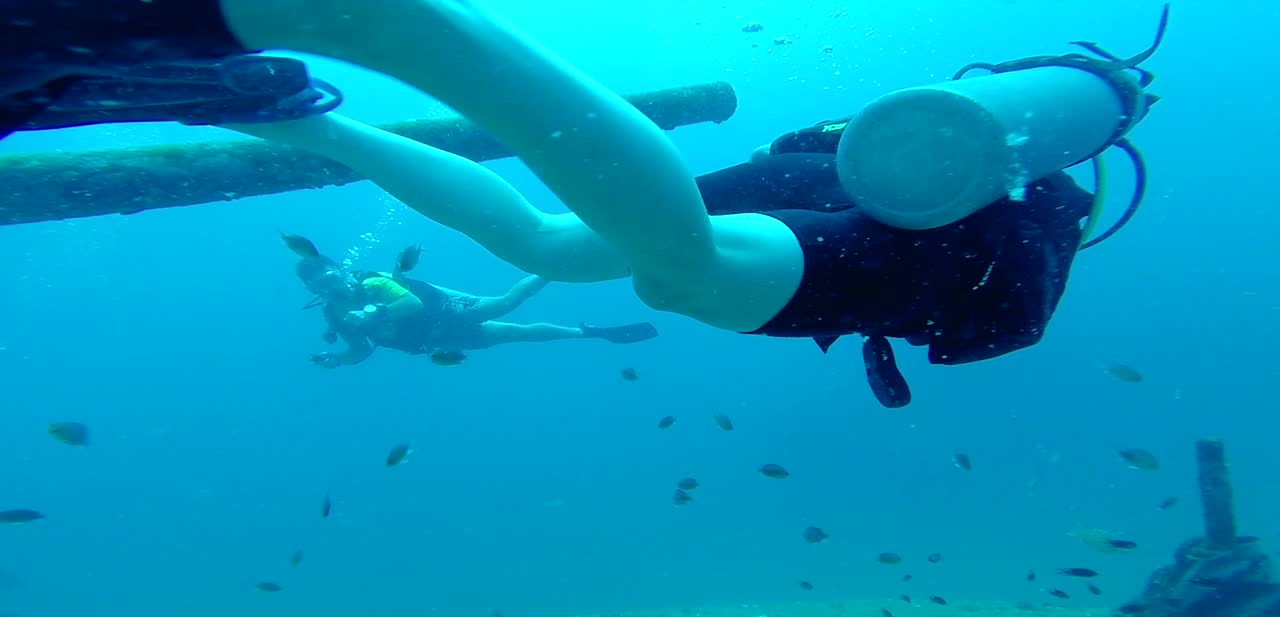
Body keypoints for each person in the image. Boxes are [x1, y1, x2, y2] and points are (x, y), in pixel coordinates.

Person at [1, 0, 1168, 406]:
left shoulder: (1010, 147)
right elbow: (997, 317)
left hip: (832, 169)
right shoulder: (1043, 205)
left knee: (557, 246)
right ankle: (371, 21)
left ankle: (285, 110)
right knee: (682, 273)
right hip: (904, 247)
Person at [284, 234, 659, 368]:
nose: (327, 285)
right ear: (313, 291)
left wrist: (375, 311)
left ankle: (563, 263)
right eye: (316, 284)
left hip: (446, 310)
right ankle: (589, 333)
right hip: (436, 339)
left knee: (507, 303)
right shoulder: (335, 314)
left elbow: (411, 304)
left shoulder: (374, 284)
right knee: (515, 333)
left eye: (326, 274)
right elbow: (359, 349)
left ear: (340, 270)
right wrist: (338, 359)